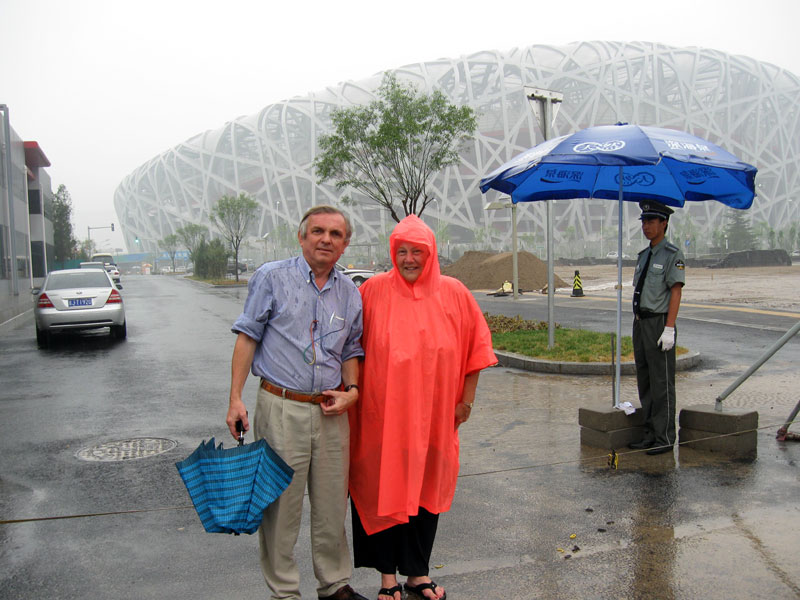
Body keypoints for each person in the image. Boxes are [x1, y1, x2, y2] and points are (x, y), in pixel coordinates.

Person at [348, 215, 497, 600]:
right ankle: (386, 579)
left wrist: (466, 400)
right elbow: (348, 348)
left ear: (431, 254)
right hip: (381, 418)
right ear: (392, 253)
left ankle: (417, 574)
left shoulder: (454, 293)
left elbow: (476, 351)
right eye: (402, 251)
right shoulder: (374, 291)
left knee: (425, 494)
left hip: (434, 420)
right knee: (382, 491)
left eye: (417, 251)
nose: (409, 259)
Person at [226, 205, 368, 600]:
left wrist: (352, 392)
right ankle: (284, 591)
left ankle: (335, 584)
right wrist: (235, 398)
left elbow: (352, 348)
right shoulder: (272, 278)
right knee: (281, 507)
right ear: (302, 237)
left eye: (335, 234)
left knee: (330, 506)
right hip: (282, 406)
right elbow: (247, 336)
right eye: (318, 231)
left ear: (345, 245)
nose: (326, 239)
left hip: (330, 411)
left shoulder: (349, 292)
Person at [628, 199, 686, 456]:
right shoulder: (644, 256)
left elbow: (675, 292)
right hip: (640, 324)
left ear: (664, 223)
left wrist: (669, 328)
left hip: (659, 323)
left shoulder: (672, 254)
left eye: (651, 221)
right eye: (644, 221)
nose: (646, 226)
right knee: (646, 381)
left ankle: (664, 437)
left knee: (662, 383)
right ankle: (650, 434)